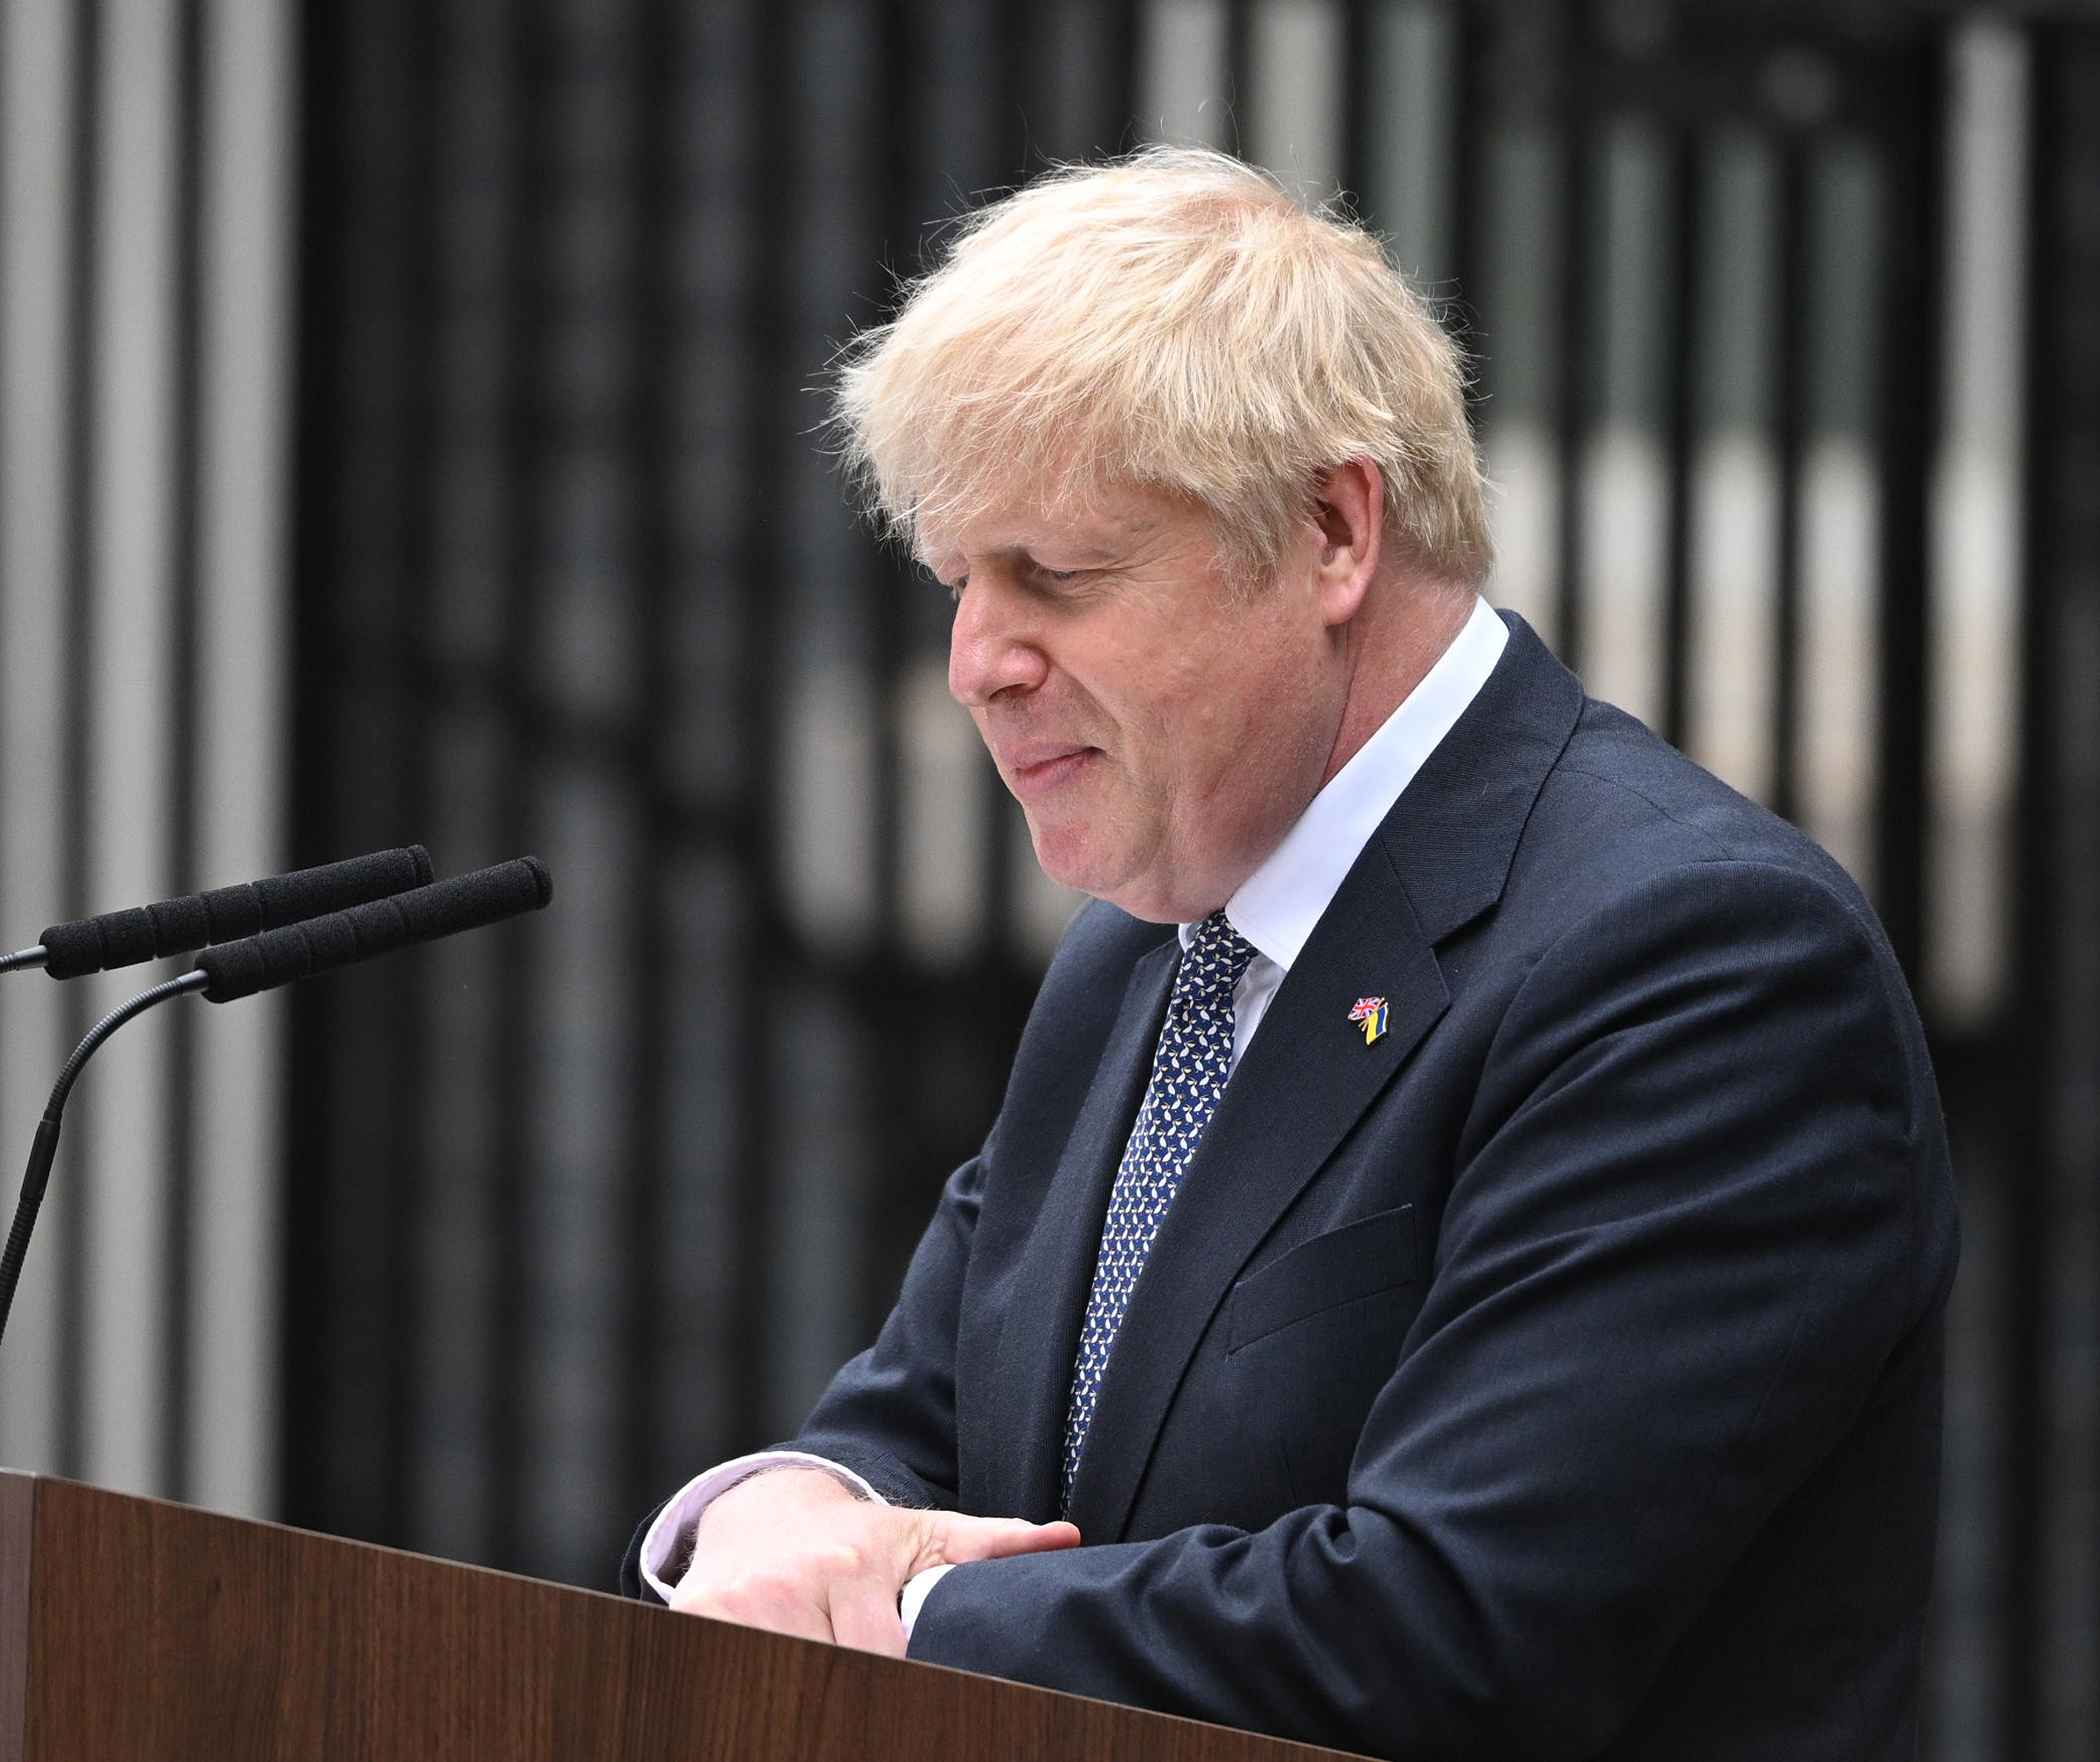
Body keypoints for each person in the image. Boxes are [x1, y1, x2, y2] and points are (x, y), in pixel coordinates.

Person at [621, 148, 1957, 1762]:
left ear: (1332, 529)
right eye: (958, 583)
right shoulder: (1159, 935)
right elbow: (931, 1416)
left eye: (1059, 573)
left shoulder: (1700, 963)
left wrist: (901, 1622)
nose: (979, 661)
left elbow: (1445, 1634)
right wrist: (777, 1513)